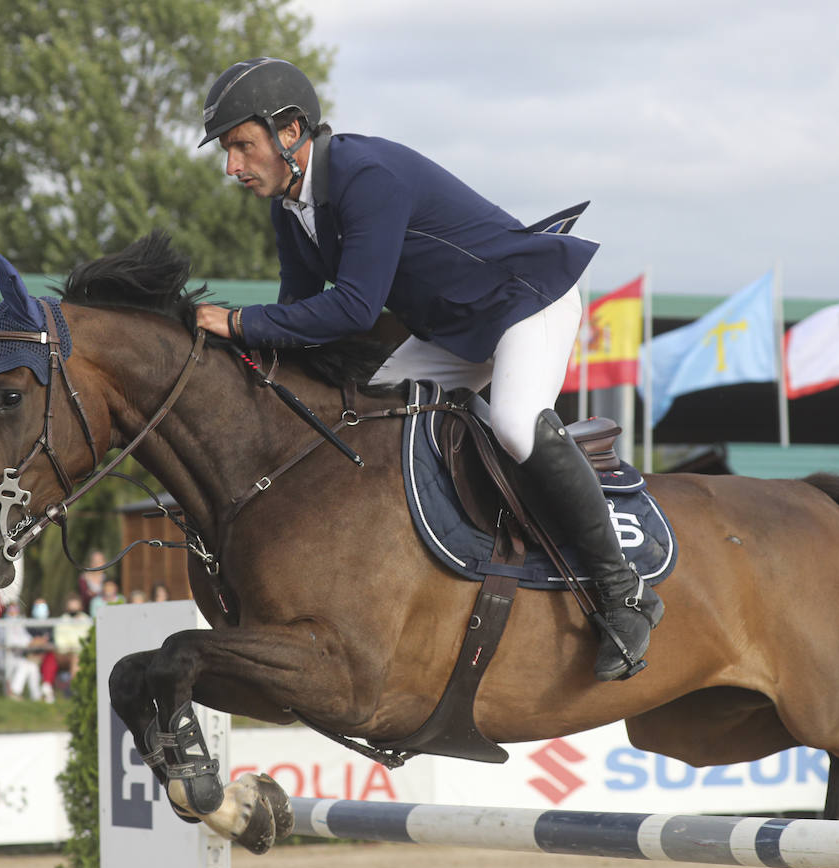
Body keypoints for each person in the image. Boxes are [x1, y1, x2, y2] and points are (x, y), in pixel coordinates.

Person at [192, 58, 664, 681]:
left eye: (241, 146)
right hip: (456, 330)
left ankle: (623, 591)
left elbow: (355, 308)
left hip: (526, 300)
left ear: (290, 131)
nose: (233, 167)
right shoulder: (292, 207)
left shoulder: (366, 176)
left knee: (517, 425)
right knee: (366, 418)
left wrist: (236, 323)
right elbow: (296, 314)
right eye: (228, 151)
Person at [0, 603, 42, 700]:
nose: (13, 612)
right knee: (24, 665)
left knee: (33, 667)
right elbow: (12, 642)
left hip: (16, 659)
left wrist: (32, 642)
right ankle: (14, 693)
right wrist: (31, 643)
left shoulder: (19, 625)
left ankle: (36, 696)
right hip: (2, 660)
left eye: (15, 609)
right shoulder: (2, 625)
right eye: (11, 610)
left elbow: (28, 640)